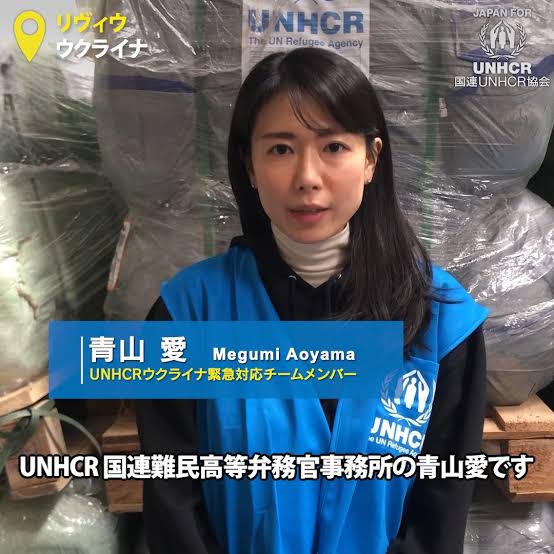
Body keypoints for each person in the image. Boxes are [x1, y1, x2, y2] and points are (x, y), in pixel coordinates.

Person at [136, 47, 488, 554]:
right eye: (281, 149)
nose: (307, 176)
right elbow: (175, 511)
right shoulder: (186, 316)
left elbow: (440, 513)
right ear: (250, 165)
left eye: (333, 146)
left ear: (371, 159)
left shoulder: (441, 321)